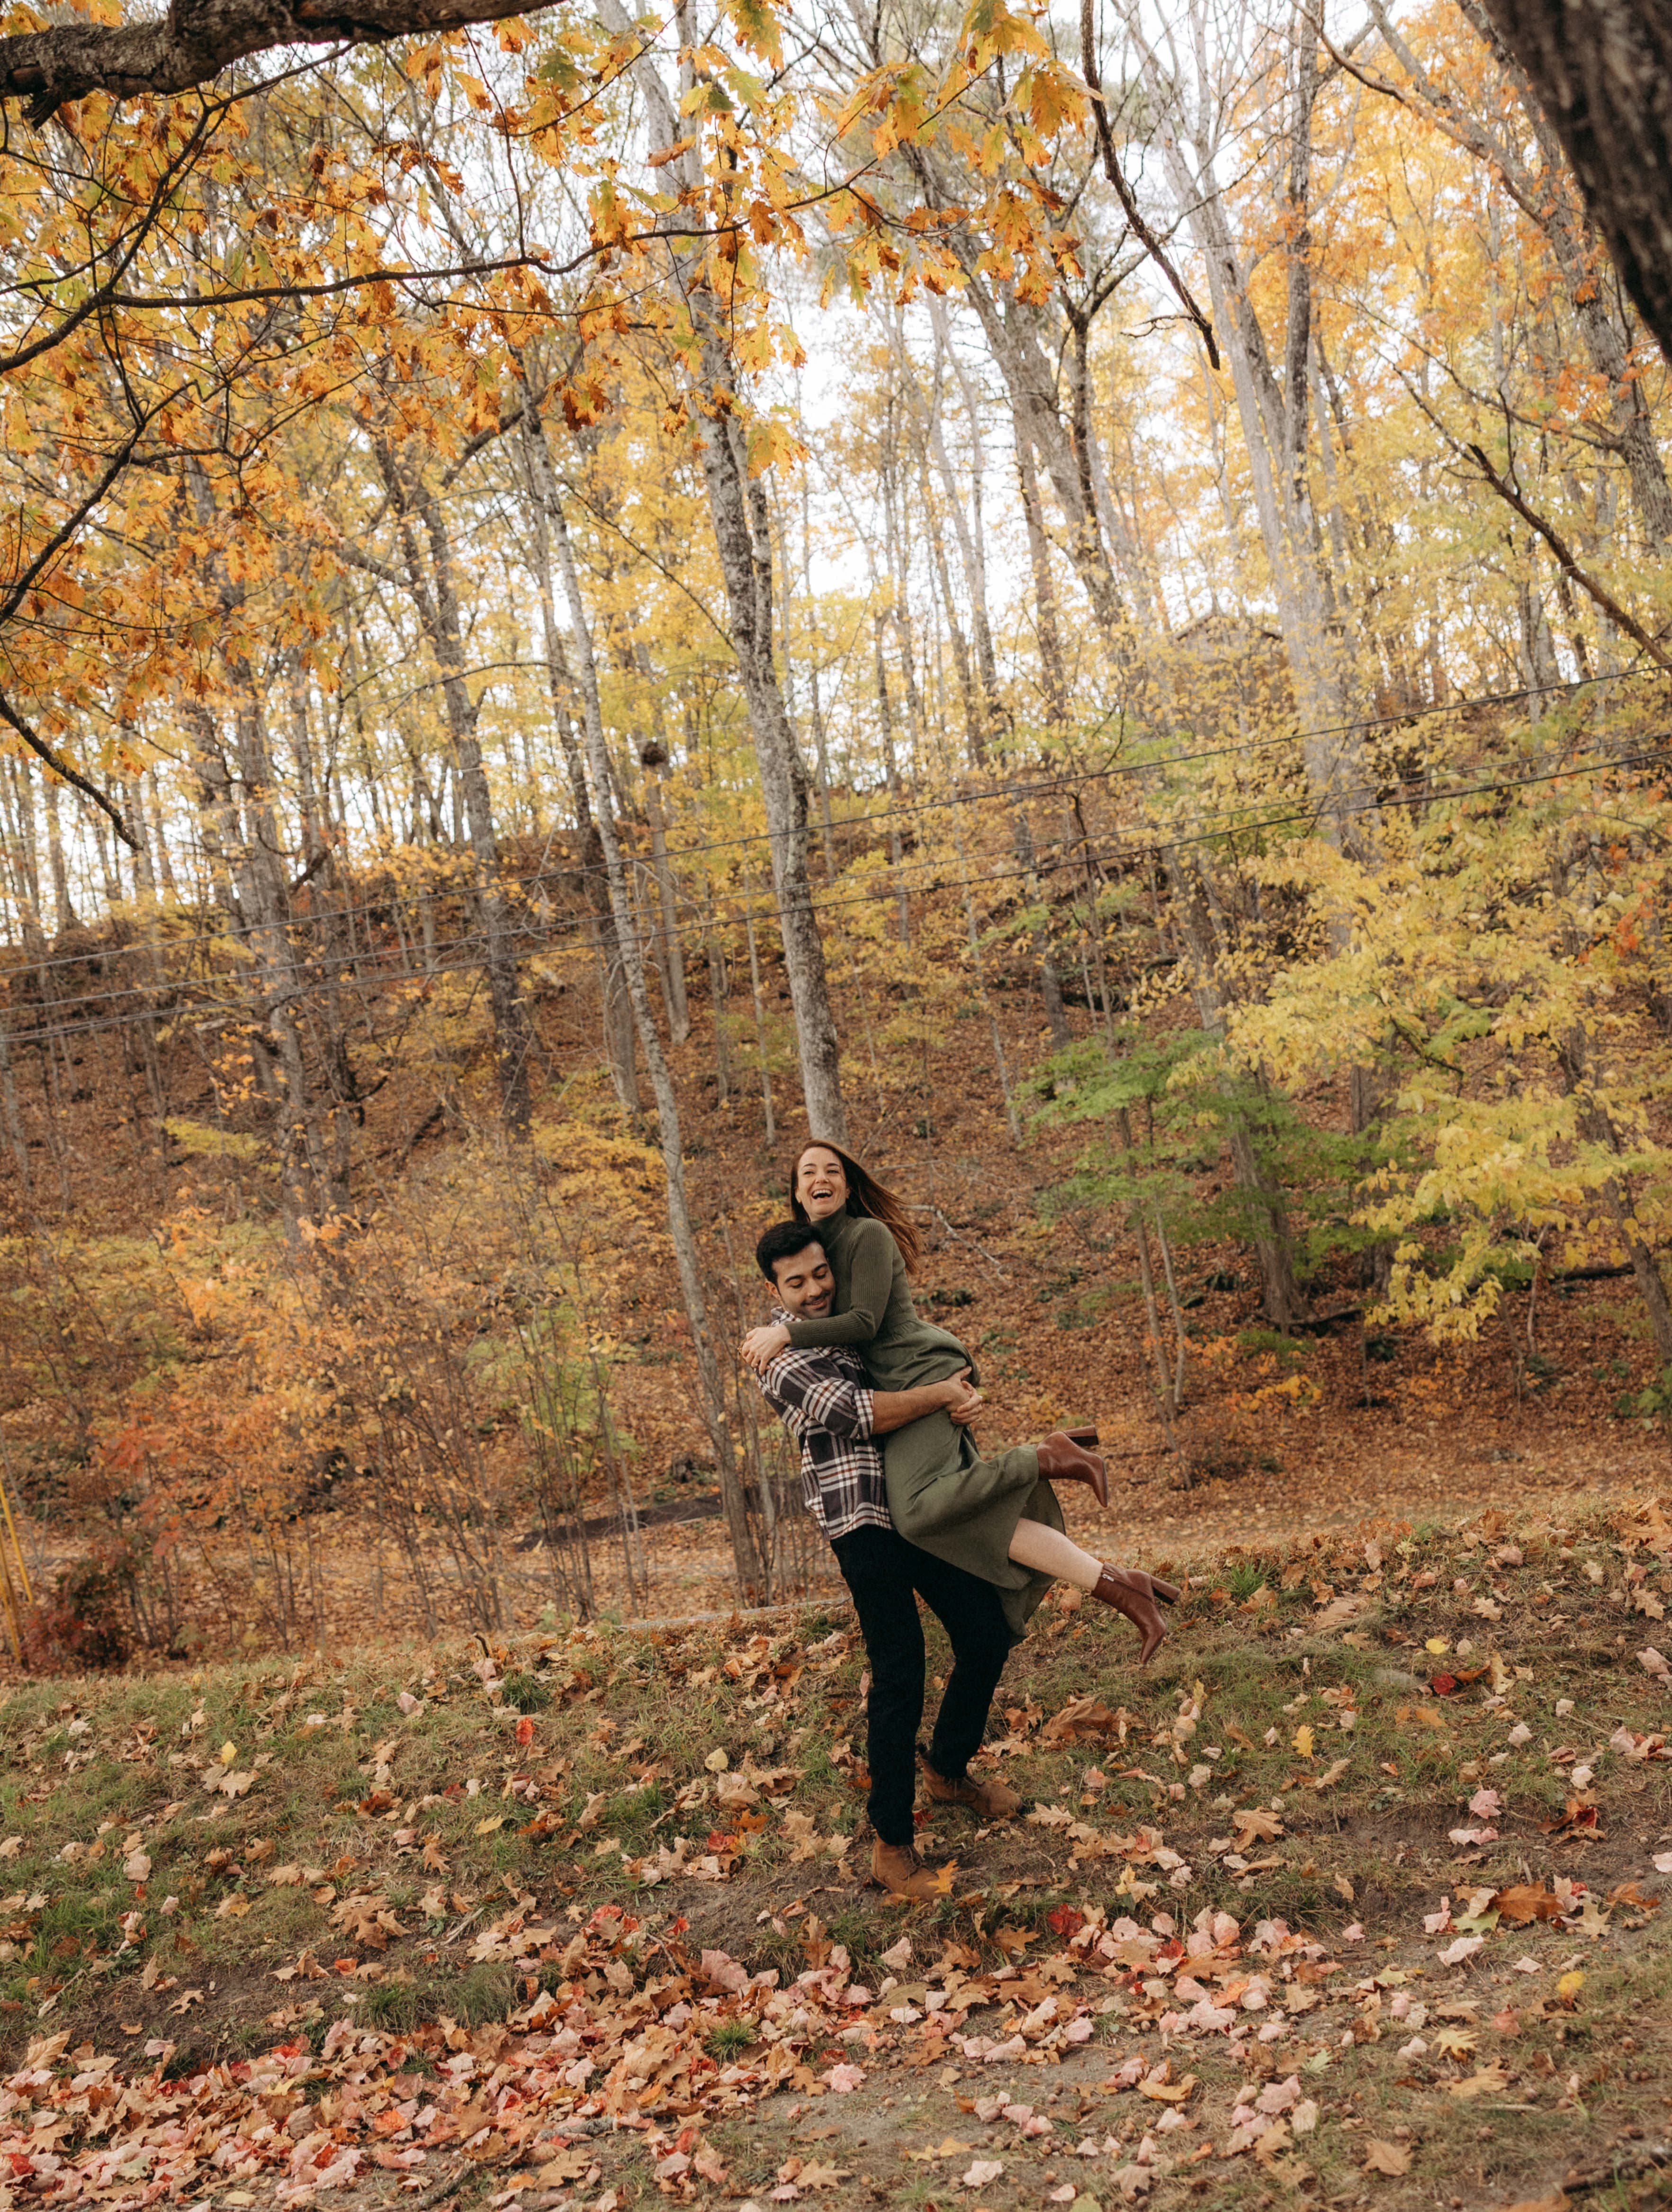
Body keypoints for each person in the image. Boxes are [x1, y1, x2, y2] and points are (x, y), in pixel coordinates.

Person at [742, 1141, 1176, 1655]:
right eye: (808, 1171)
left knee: (918, 1512)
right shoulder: (818, 1253)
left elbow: (864, 1323)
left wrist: (785, 1335)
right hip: (904, 1385)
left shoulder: (867, 1234)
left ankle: (1044, 1457)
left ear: (848, 1183)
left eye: (832, 1169)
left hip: (917, 1369)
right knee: (971, 1515)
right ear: (796, 1192)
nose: (821, 1177)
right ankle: (1121, 1588)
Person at [749, 1218, 1029, 1900]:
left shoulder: (851, 1324)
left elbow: (911, 1361)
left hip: (915, 1508)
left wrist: (955, 1404)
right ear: (774, 1288)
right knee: (900, 1666)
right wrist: (939, 1394)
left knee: (985, 1629)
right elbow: (857, 1414)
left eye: (821, 1273)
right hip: (862, 1524)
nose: (814, 1290)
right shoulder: (777, 1355)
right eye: (797, 1282)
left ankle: (948, 1767)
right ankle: (891, 1844)